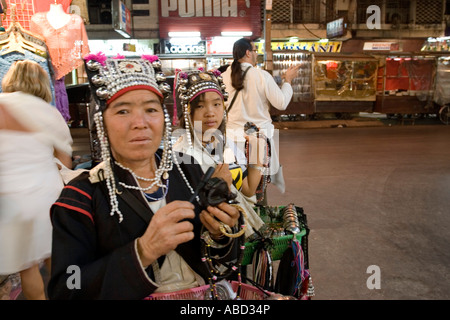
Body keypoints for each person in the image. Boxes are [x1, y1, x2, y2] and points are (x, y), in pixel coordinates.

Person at [47, 53, 245, 299]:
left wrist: (222, 232)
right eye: (122, 112)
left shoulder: (190, 172)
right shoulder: (81, 198)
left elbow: (226, 259)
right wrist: (142, 251)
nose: (140, 123)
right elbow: (68, 286)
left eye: (150, 109)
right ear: (101, 122)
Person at [0, 60, 73, 300]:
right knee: (59, 259)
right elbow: (65, 162)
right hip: (47, 195)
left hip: (9, 198)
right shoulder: (49, 112)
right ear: (43, 83)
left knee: (28, 266)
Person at [172, 68, 265, 236]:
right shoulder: (182, 156)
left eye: (216, 104)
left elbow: (248, 190)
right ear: (188, 112)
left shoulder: (222, 141)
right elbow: (187, 215)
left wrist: (257, 153)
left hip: (240, 231)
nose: (210, 113)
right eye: (200, 105)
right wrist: (216, 187)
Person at [221, 38, 300, 200]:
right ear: (248, 53)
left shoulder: (222, 76)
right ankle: (257, 217)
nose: (257, 54)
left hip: (231, 143)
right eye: (255, 50)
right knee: (258, 187)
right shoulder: (261, 76)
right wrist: (288, 80)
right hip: (258, 142)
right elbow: (281, 103)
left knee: (238, 185)